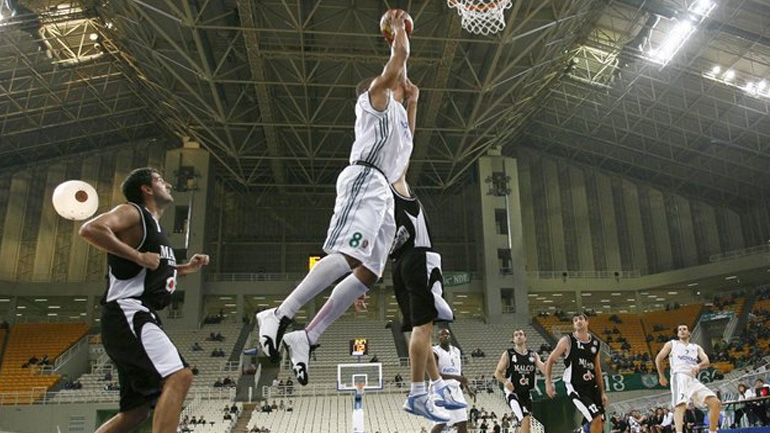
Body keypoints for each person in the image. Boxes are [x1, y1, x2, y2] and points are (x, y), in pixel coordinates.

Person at [255, 9, 415, 386]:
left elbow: (405, 84)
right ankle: (279, 313)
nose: (398, 88)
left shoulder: (398, 123)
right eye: (392, 86)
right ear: (375, 89)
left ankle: (307, 335)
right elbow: (398, 68)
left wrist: (412, 98)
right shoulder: (372, 103)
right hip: (363, 179)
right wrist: (396, 33)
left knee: (367, 273)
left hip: (383, 194)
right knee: (348, 255)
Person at [79, 167, 209, 433]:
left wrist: (185, 268)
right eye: (161, 180)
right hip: (128, 311)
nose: (169, 185)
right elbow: (90, 229)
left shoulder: (154, 227)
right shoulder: (133, 211)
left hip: (131, 314)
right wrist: (138, 257)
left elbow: (152, 269)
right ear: (146, 189)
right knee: (179, 376)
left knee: (135, 413)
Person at [389, 161, 463, 422]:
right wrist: (410, 116)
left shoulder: (375, 207)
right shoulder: (395, 186)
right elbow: (403, 151)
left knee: (420, 331)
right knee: (424, 328)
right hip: (419, 257)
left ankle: (438, 384)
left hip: (397, 266)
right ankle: (417, 392)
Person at [545, 313, 607, 433]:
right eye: (575, 320)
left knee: (601, 421)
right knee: (596, 418)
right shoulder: (567, 340)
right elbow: (551, 360)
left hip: (592, 386)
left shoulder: (595, 343)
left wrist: (602, 392)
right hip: (576, 386)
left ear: (587, 321)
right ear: (573, 324)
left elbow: (597, 369)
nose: (578, 321)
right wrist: (548, 382)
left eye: (581, 319)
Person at [654, 324, 721, 433]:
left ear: (689, 332)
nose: (682, 331)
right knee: (680, 406)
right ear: (677, 333)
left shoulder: (696, 347)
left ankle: (712, 431)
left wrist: (699, 365)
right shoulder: (672, 344)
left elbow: (707, 361)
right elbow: (658, 358)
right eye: (679, 329)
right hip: (679, 376)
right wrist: (661, 375)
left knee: (715, 403)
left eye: (684, 329)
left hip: (693, 379)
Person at [494, 329, 546, 433]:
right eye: (516, 335)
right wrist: (505, 382)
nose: (518, 336)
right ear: (513, 339)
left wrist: (549, 362)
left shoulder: (533, 355)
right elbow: (497, 373)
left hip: (526, 394)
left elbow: (544, 370)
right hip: (513, 393)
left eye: (521, 334)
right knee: (525, 419)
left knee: (527, 425)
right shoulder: (508, 354)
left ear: (525, 337)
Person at [429, 329, 474, 430]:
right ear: (438, 338)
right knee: (441, 422)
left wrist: (468, 389)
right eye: (442, 335)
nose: (445, 336)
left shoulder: (456, 350)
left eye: (447, 334)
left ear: (450, 337)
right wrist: (456, 377)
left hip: (455, 389)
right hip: (440, 389)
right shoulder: (434, 351)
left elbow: (459, 372)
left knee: (462, 422)